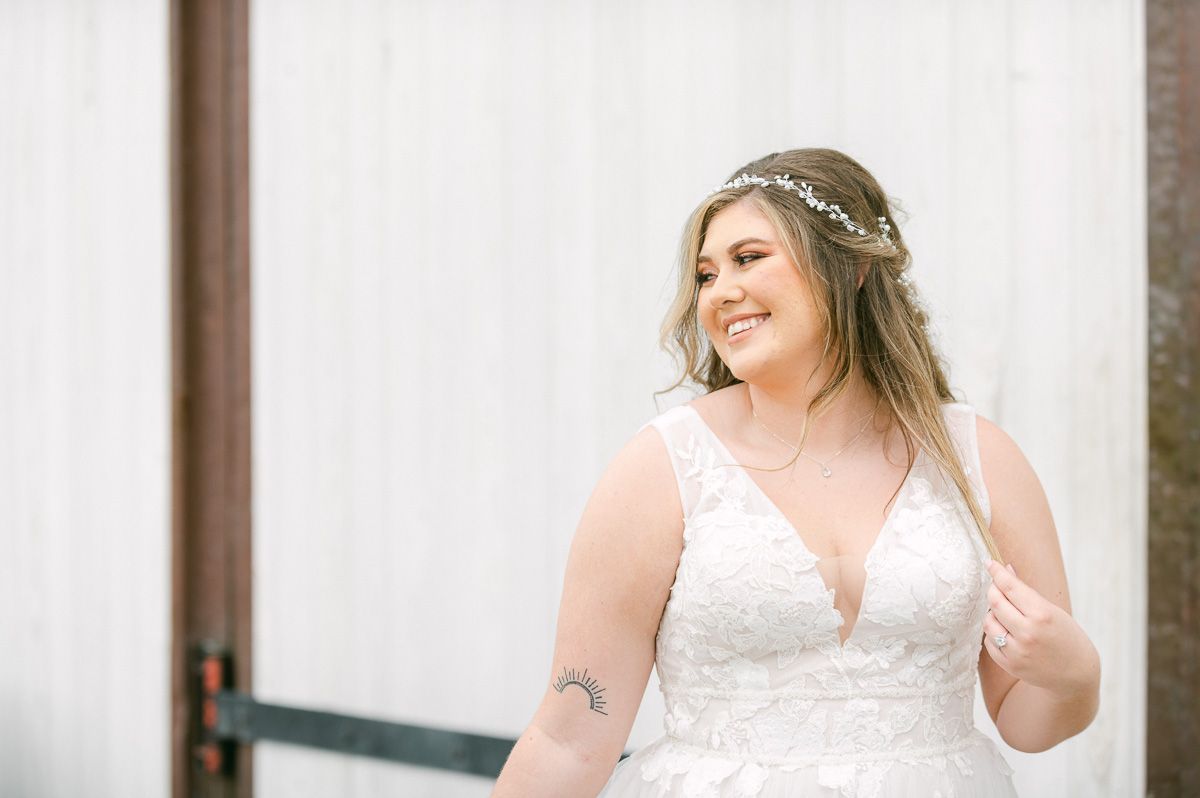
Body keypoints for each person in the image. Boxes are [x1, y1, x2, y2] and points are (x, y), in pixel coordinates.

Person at [491, 148, 1101, 797]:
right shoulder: (663, 467)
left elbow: (1028, 723)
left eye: (748, 258)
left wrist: (1077, 674)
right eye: (704, 274)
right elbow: (569, 738)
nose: (720, 292)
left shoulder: (977, 458)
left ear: (854, 264)